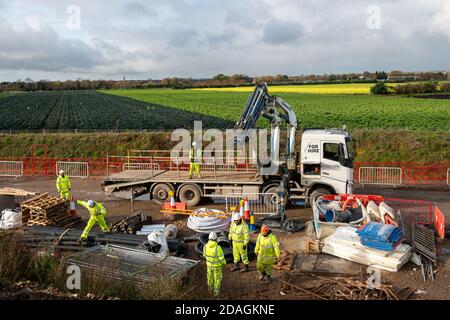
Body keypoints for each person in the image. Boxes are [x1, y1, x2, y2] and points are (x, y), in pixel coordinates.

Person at [203, 232, 226, 297]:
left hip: (209, 266)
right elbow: (222, 258)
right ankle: (216, 293)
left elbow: (204, 255)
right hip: (217, 267)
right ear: (216, 239)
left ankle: (210, 290)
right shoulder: (218, 248)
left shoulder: (205, 246)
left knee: (209, 277)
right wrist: (224, 263)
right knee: (217, 279)